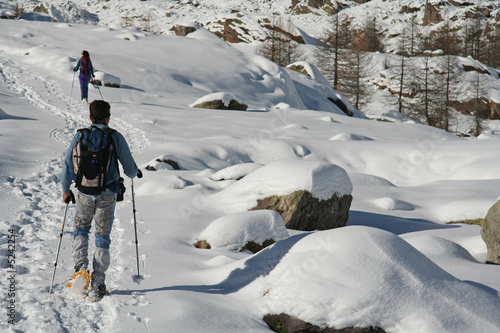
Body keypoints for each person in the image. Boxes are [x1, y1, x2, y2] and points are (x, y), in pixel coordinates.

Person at [61, 100, 142, 300]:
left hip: (84, 193)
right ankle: (98, 283)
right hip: (107, 193)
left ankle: (80, 270)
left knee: (81, 229)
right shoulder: (115, 137)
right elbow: (129, 169)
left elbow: (67, 163)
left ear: (90, 117)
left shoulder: (81, 135)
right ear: (108, 117)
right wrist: (135, 173)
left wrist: (66, 189)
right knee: (102, 236)